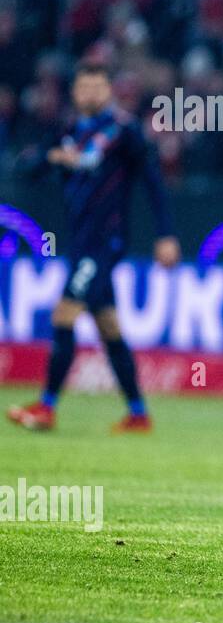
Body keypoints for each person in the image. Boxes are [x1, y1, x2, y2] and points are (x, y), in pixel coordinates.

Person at [7, 63, 180, 433]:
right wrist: (53, 157)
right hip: (80, 240)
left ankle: (47, 408)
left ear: (109, 90)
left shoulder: (124, 130)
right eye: (84, 87)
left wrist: (165, 235)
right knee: (109, 327)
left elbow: (153, 183)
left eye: (98, 86)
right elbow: (28, 168)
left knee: (64, 314)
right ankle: (138, 413)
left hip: (106, 241)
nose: (91, 93)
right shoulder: (69, 130)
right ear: (75, 92)